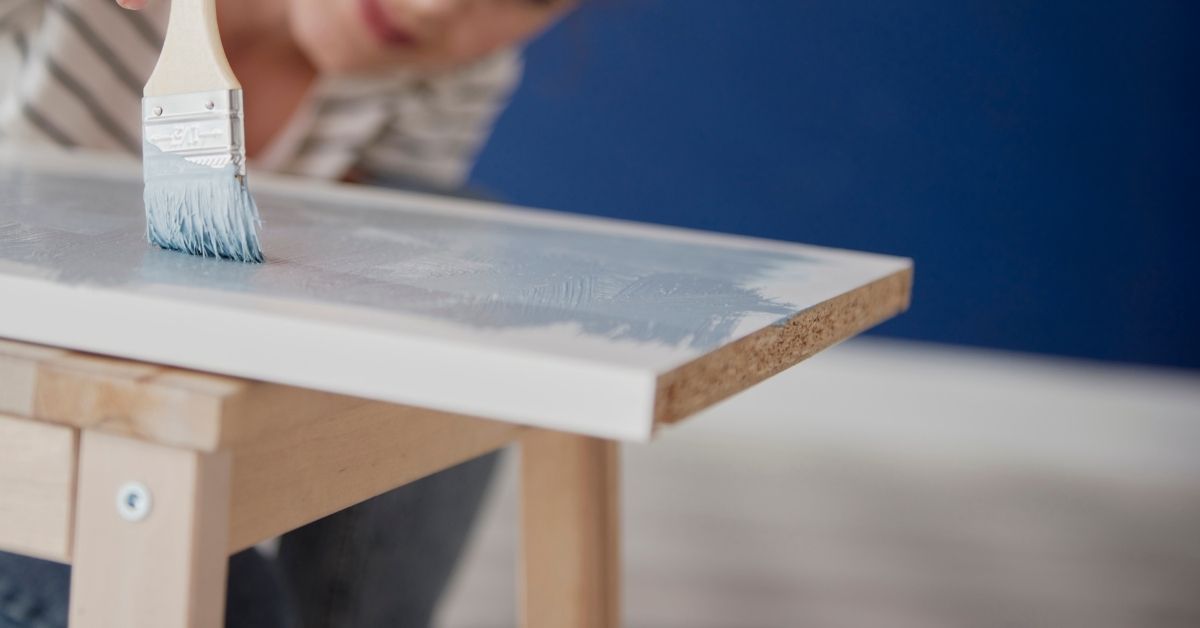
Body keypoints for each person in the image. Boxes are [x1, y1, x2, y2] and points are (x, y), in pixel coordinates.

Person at [0, 0, 579, 626]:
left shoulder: (447, 70)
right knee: (225, 603)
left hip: (142, 398)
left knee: (459, 242)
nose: (434, 8)